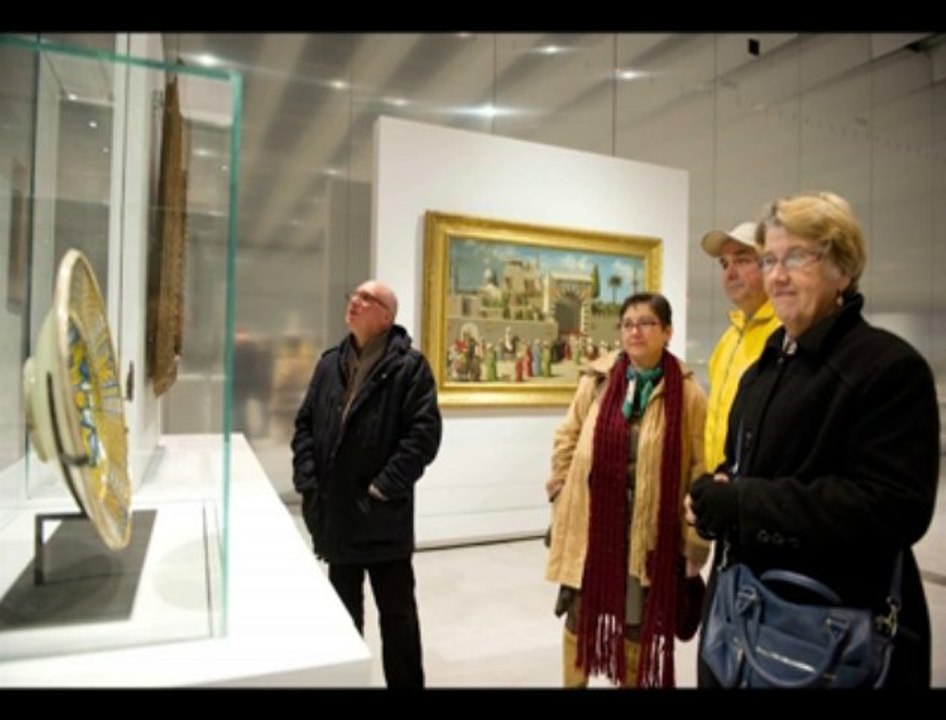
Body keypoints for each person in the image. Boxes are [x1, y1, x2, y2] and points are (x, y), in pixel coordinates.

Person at [688, 191, 940, 688]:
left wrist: (740, 503)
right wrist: (716, 488)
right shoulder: (764, 368)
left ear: (843, 269)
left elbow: (893, 507)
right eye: (770, 260)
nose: (777, 276)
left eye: (797, 258)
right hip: (746, 616)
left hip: (829, 636)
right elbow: (747, 468)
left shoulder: (886, 368)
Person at [545, 292, 710, 688]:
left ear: (667, 332)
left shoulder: (688, 394)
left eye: (646, 323)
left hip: (647, 530)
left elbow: (699, 469)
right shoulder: (598, 380)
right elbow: (568, 435)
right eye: (628, 324)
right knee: (580, 613)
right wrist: (560, 488)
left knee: (636, 621)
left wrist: (693, 543)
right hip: (593, 522)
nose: (635, 331)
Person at [291, 280, 442, 688]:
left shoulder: (409, 368)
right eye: (353, 296)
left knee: (397, 619)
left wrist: (382, 489)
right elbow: (305, 425)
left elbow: (423, 437)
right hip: (337, 516)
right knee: (342, 621)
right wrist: (308, 483)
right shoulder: (330, 364)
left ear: (387, 316)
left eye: (366, 298)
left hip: (382, 520)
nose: (355, 302)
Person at [699, 221, 780, 472]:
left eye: (742, 260)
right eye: (724, 264)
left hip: (758, 489)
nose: (730, 273)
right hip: (721, 485)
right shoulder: (728, 340)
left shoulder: (787, 335)